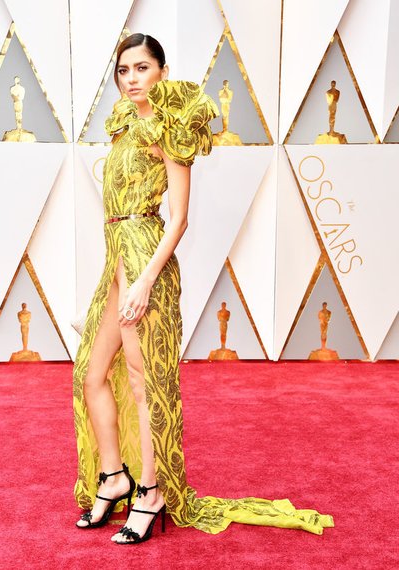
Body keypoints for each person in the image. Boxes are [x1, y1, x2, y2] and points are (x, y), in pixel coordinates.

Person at [73, 33, 334, 543]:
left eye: (142, 68)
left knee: (143, 381)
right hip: (117, 258)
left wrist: (144, 280)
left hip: (146, 259)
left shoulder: (172, 128)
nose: (131, 79)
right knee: (89, 374)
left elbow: (179, 219)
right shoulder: (123, 125)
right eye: (123, 70)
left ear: (162, 72)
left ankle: (151, 492)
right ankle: (114, 476)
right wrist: (117, 277)